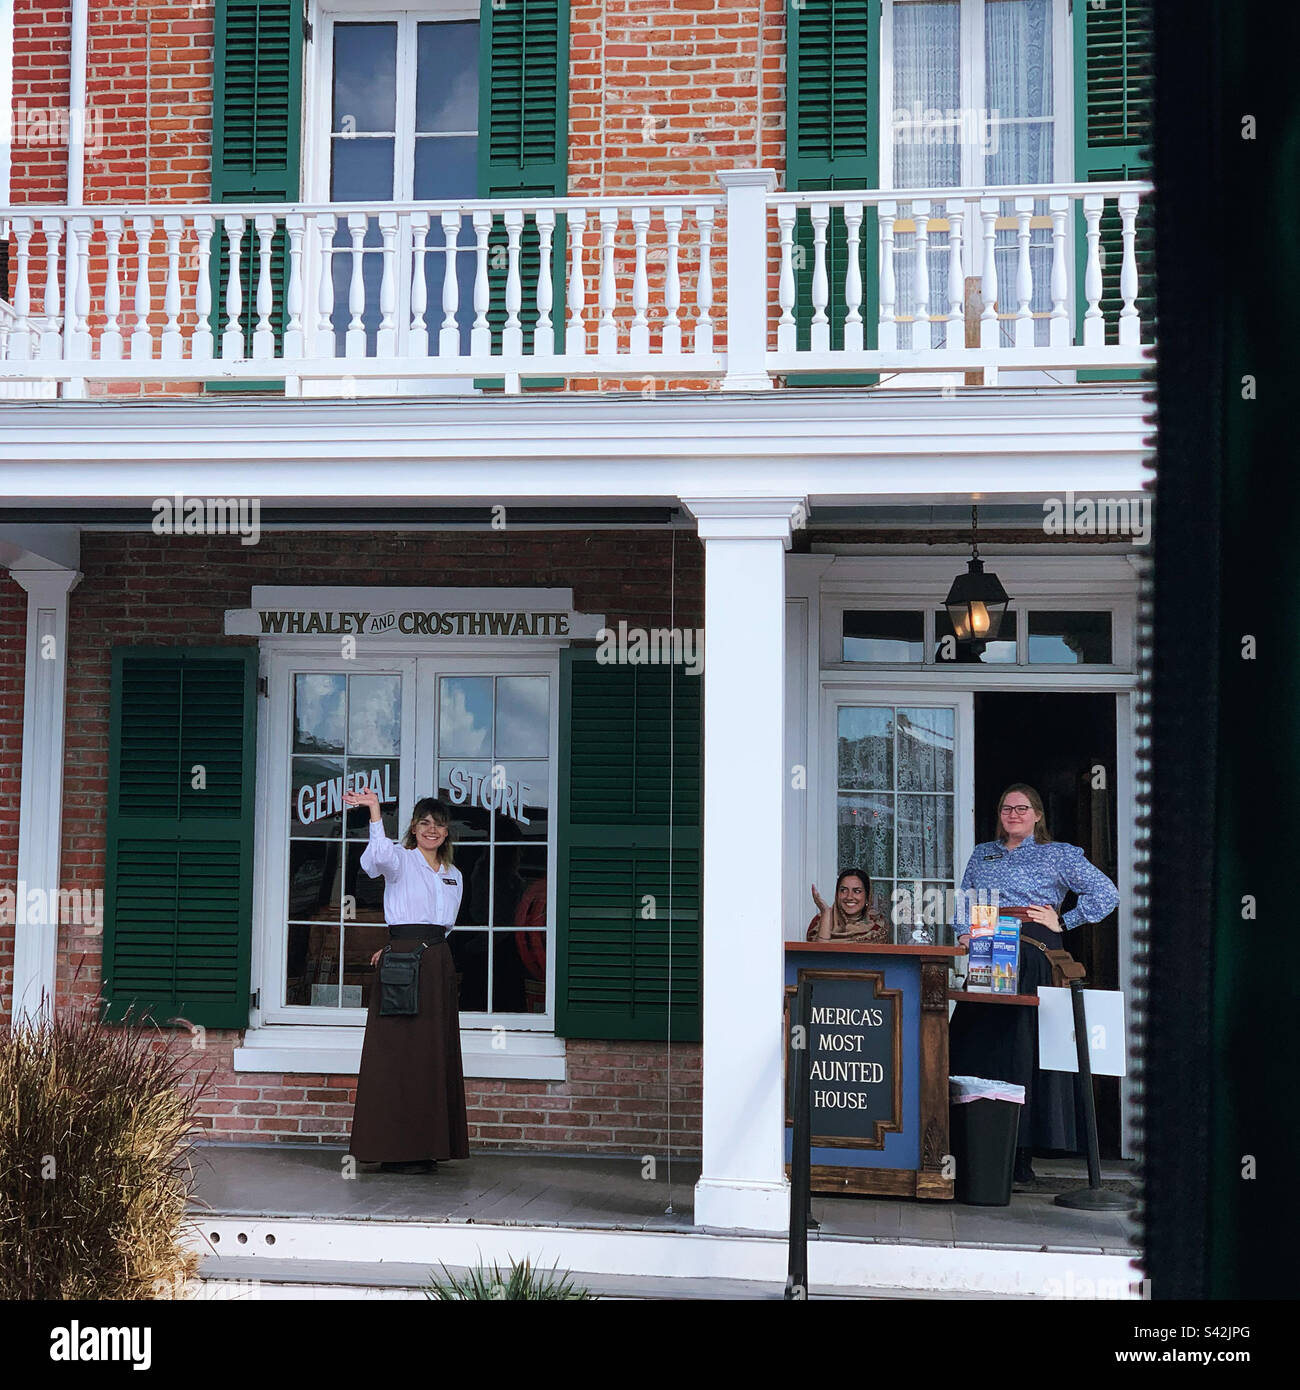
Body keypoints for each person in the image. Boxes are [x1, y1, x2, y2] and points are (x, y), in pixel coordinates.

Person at [948, 782, 1119, 1185]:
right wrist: (962, 933)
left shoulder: (1057, 854)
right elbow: (965, 899)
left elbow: (1106, 893)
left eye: (1022, 809)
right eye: (1007, 808)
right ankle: (970, 1143)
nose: (1013, 815)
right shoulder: (982, 853)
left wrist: (1064, 921)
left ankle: (1021, 1152)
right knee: (976, 1043)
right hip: (989, 948)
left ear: (1038, 814)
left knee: (1021, 1050)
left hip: (1032, 954)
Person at [342, 789, 469, 1175]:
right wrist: (376, 813)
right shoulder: (400, 860)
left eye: (439, 824)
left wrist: (408, 946)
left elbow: (442, 925)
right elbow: (375, 860)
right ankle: (392, 1148)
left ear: (447, 832)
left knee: (433, 1054)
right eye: (425, 823)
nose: (432, 830)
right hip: (402, 965)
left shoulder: (454, 875)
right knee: (395, 1055)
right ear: (414, 828)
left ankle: (428, 1146)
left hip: (437, 963)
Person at [807, 868, 891, 944]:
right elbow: (819, 956)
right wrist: (825, 913)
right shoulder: (820, 920)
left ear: (867, 897)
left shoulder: (877, 924)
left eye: (857, 891)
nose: (849, 897)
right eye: (843, 890)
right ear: (837, 894)